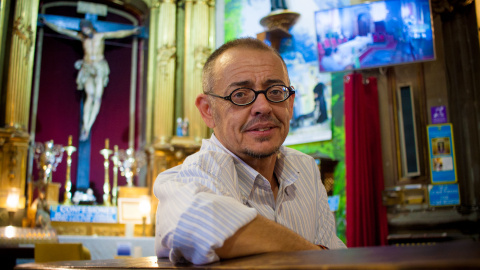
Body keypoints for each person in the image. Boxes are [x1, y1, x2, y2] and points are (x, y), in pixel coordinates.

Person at [154, 37, 346, 265]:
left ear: (290, 104)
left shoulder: (305, 168)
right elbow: (196, 221)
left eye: (275, 92)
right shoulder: (189, 178)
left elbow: (332, 249)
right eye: (240, 95)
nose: (263, 107)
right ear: (208, 111)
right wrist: (314, 256)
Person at [42, 18, 139, 141]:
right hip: (87, 67)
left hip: (99, 68)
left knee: (97, 98)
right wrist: (47, 23)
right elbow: (63, 30)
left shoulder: (100, 36)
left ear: (91, 28)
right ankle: (86, 126)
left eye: (87, 29)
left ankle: (89, 125)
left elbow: (118, 33)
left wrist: (131, 31)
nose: (85, 32)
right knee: (90, 97)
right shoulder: (83, 38)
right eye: (83, 30)